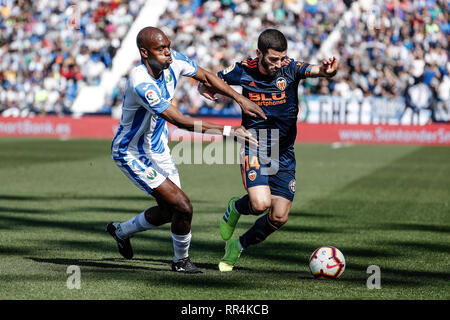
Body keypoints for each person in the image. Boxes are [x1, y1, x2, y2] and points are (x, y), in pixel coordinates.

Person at [107, 26, 262, 274]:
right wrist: (228, 131)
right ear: (144, 53)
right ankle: (181, 261)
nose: (168, 53)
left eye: (168, 46)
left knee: (171, 211)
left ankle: (121, 231)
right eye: (161, 49)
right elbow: (179, 120)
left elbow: (208, 77)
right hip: (131, 153)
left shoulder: (174, 60)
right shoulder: (141, 82)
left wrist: (240, 98)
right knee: (183, 206)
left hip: (158, 149)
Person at [199, 29, 338, 272]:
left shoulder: (290, 68)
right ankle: (236, 207)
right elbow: (211, 79)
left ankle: (238, 246)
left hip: (284, 152)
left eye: (282, 58)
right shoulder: (243, 69)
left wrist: (329, 70)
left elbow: (319, 70)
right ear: (259, 54)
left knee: (278, 217)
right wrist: (205, 88)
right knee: (260, 203)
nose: (278, 64)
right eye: (273, 59)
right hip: (255, 145)